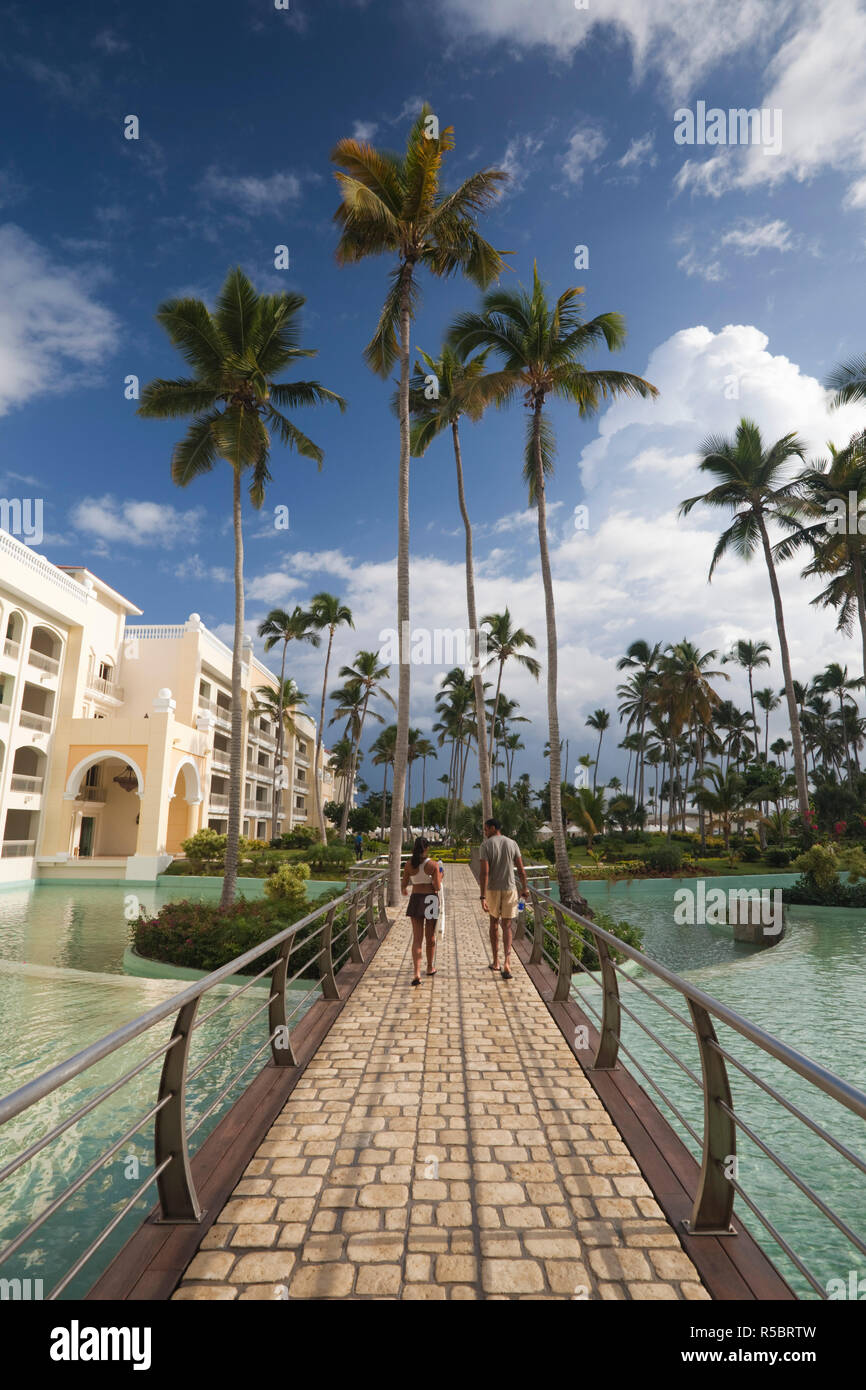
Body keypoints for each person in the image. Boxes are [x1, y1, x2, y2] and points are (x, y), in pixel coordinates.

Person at [478, 818, 528, 980]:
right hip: (510, 889)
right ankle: (508, 961)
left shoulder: (486, 845)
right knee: (506, 926)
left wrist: (482, 895)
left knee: (493, 924)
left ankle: (496, 961)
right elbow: (521, 869)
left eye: (486, 829)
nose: (485, 832)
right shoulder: (512, 843)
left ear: (493, 828)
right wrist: (525, 888)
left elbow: (484, 873)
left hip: (492, 890)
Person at [401, 836, 442, 985]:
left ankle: (417, 973)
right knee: (430, 936)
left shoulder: (408, 865)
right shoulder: (433, 865)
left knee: (417, 938)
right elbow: (437, 886)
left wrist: (404, 888)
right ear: (426, 848)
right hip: (430, 900)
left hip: (416, 899)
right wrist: (440, 875)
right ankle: (430, 967)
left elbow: (404, 885)